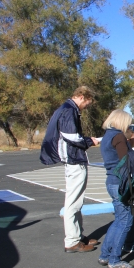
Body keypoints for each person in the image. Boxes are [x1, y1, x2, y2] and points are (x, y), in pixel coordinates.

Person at [40, 86, 100, 253]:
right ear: (81, 97)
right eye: (87, 102)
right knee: (73, 202)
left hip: (72, 159)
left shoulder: (65, 109)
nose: (87, 106)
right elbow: (72, 136)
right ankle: (72, 241)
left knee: (76, 201)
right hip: (73, 160)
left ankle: (78, 236)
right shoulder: (69, 111)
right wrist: (89, 141)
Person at [97, 109, 134, 268]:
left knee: (119, 219)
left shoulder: (107, 135)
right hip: (120, 182)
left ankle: (105, 254)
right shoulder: (118, 136)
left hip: (112, 181)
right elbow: (125, 159)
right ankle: (114, 259)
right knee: (126, 221)